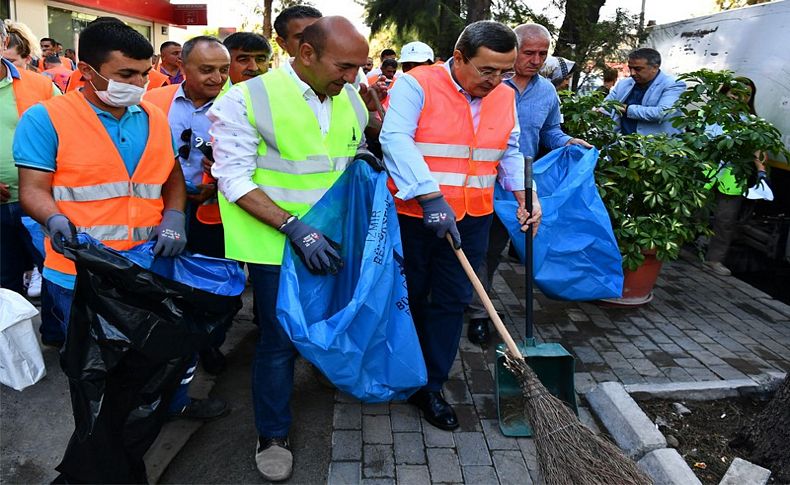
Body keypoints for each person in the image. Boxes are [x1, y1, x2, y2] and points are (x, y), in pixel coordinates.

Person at [208, 16, 373, 482]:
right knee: (278, 343)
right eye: (344, 66)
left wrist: (360, 160)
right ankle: (273, 434)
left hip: (333, 243)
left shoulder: (351, 98)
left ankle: (323, 371)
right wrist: (295, 228)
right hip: (276, 246)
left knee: (326, 321)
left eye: (357, 68)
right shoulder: (245, 98)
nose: (352, 77)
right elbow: (234, 178)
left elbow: (342, 156)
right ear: (306, 54)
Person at [13, 21, 189, 401]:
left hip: (145, 267)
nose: (139, 84)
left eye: (145, 73)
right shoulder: (46, 118)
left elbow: (171, 176)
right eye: (126, 74)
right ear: (87, 70)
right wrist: (54, 218)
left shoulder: (154, 117)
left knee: (150, 359)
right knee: (96, 372)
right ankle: (106, 446)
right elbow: (33, 190)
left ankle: (160, 414)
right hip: (79, 274)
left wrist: (175, 217)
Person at [381, 20, 532, 430]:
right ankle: (401, 372)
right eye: (487, 70)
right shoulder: (418, 84)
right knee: (408, 298)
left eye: (505, 71)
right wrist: (430, 196)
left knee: (450, 301)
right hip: (414, 217)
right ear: (459, 58)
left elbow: (510, 149)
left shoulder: (505, 95)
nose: (497, 80)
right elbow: (395, 139)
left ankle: (431, 386)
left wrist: (523, 197)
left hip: (474, 216)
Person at [465, 23, 590, 345]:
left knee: (497, 250)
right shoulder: (487, 81)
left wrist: (568, 142)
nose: (536, 60)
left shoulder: (546, 91)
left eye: (542, 54)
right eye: (529, 52)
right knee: (478, 247)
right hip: (479, 181)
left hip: (518, 186)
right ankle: (479, 312)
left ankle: (481, 301)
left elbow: (549, 132)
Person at [1, 20, 57, 301]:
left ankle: (55, 336)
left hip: (39, 200)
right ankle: (11, 342)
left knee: (53, 271)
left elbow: (68, 130)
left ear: (3, 42)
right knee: (4, 281)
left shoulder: (41, 85)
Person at [704, 77, 767, 277]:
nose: (740, 98)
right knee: (695, 212)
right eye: (735, 93)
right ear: (725, 92)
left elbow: (757, 149)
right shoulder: (707, 114)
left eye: (746, 95)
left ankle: (714, 260)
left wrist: (761, 171)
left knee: (726, 220)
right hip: (705, 170)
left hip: (733, 175)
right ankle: (675, 249)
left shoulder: (752, 122)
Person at [604, 47, 686, 135]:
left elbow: (662, 112)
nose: (632, 73)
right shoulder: (623, 83)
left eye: (638, 69)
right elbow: (606, 104)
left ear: (655, 67)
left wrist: (626, 108)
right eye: (630, 68)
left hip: (657, 146)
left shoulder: (673, 84)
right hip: (623, 144)